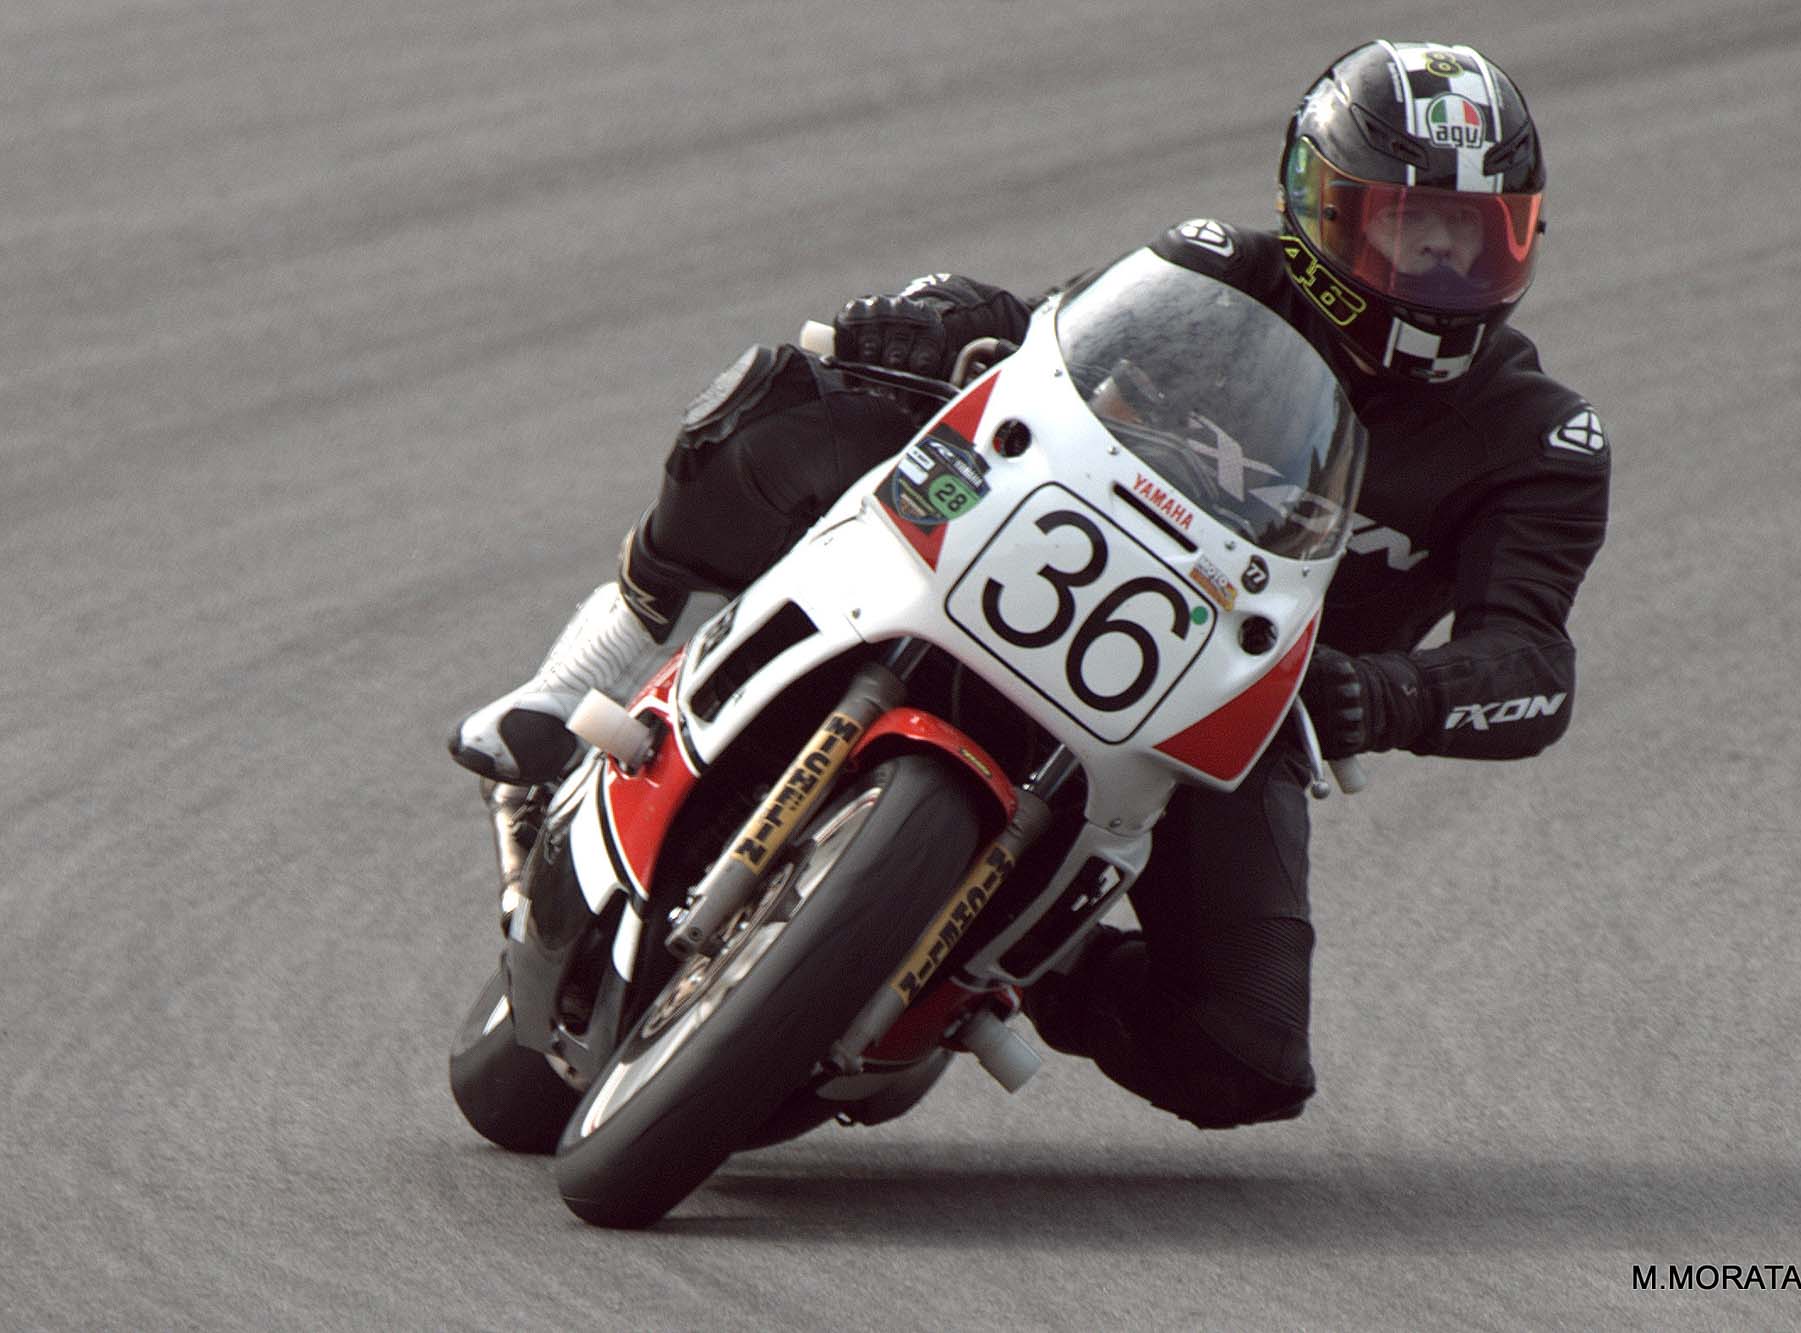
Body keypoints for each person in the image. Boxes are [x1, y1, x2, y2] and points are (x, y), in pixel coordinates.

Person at [449, 40, 1609, 1129]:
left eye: (1476, 239)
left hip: (1227, 713)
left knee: (1245, 1054)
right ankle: (582, 670)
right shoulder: (1214, 267)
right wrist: (944, 317)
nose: (1441, 271)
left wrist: (1390, 695)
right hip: (1020, 544)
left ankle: (1017, 960)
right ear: (1320, 210)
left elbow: (1532, 664)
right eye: (1409, 232)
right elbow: (1045, 340)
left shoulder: (1538, 442)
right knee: (779, 400)